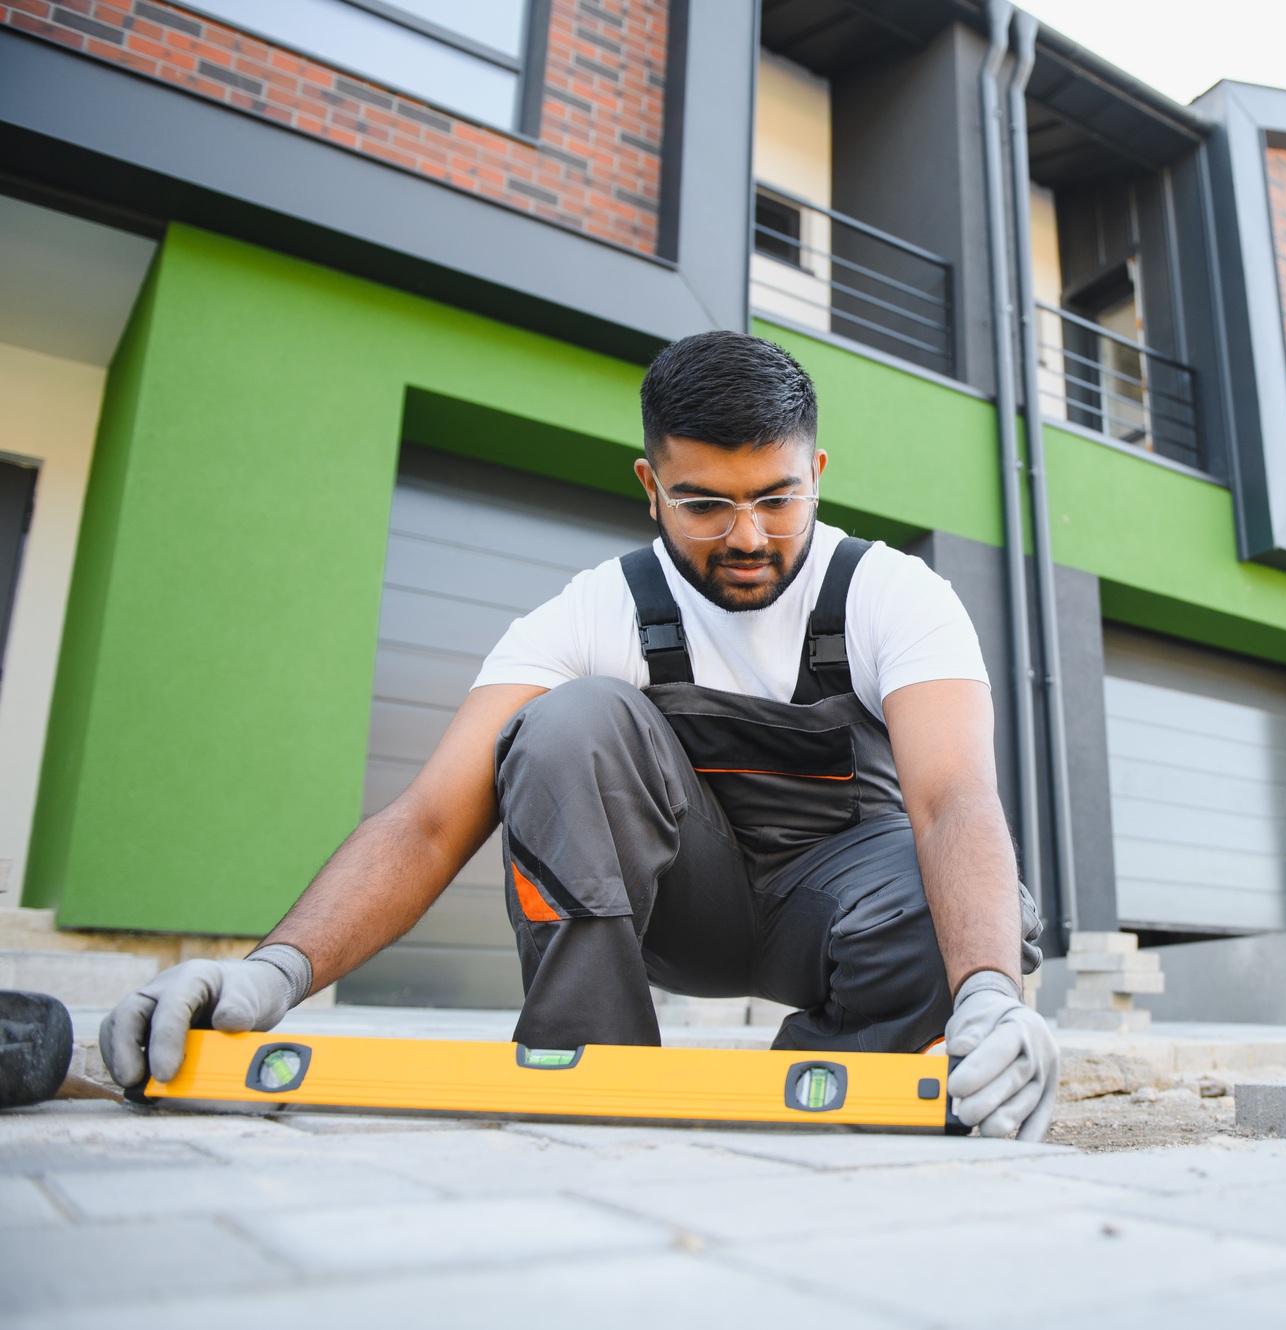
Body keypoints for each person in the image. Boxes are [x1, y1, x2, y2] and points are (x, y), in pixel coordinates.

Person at [98, 331, 1059, 1140]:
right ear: (651, 485)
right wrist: (270, 976)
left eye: (775, 497)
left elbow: (953, 801)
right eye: (705, 503)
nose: (748, 536)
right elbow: (431, 820)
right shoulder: (594, 612)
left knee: (981, 924)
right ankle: (591, 1079)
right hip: (685, 912)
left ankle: (825, 1088)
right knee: (564, 724)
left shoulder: (894, 596)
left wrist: (990, 993)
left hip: (843, 909)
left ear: (815, 472)